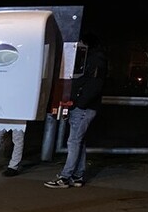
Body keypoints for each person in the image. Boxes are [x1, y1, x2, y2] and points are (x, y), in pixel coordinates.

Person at [45, 33, 107, 188]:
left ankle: (65, 177)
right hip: (84, 106)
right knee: (79, 141)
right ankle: (78, 175)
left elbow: (94, 85)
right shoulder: (94, 59)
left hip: (83, 107)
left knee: (74, 141)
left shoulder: (94, 60)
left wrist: (80, 103)